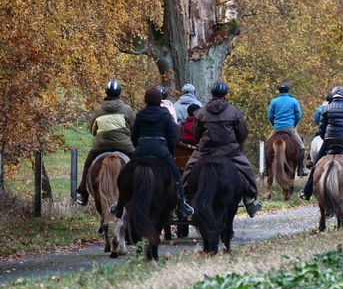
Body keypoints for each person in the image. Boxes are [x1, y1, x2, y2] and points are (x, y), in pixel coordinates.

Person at [182, 81, 262, 217]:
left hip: (206, 151)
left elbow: (196, 134)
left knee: (188, 170)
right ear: (225, 95)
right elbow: (242, 133)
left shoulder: (200, 113)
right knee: (247, 170)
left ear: (212, 94)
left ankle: (184, 197)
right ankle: (249, 200)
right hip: (230, 152)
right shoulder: (234, 112)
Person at [113, 88, 193, 220]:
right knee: (177, 178)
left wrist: (138, 148)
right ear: (159, 101)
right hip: (161, 150)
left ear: (146, 100)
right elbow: (171, 137)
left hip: (142, 149)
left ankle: (120, 205)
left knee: (125, 174)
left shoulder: (139, 115)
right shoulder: (165, 116)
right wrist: (170, 153)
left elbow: (134, 136)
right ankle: (181, 207)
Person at [76, 80, 135, 206]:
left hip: (101, 146)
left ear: (106, 93)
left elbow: (93, 130)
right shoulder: (127, 110)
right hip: (124, 146)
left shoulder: (98, 110)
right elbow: (133, 129)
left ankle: (83, 193)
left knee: (88, 164)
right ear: (120, 93)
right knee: (137, 163)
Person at [267, 82, 308, 176]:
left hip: (276, 128)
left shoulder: (274, 101)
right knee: (301, 147)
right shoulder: (293, 101)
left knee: (267, 147)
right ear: (288, 90)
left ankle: (267, 169)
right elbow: (298, 115)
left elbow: (270, 115)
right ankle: (300, 169)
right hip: (290, 128)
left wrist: (275, 124)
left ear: (279, 91)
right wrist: (293, 125)